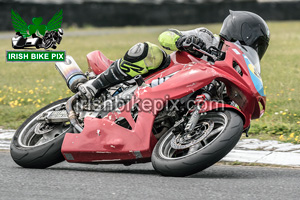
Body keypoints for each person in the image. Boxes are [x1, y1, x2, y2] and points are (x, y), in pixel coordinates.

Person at [78, 10, 270, 100]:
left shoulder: (237, 68)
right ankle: (95, 85)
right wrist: (181, 41)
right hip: (159, 76)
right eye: (251, 37)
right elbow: (166, 35)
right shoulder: (206, 37)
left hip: (176, 100)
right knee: (148, 51)